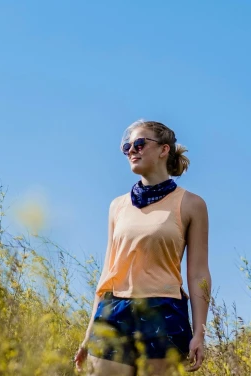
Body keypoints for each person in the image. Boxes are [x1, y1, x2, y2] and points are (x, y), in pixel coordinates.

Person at [74, 120, 211, 375]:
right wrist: (89, 333)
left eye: (139, 143)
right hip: (115, 310)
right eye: (127, 147)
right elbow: (108, 273)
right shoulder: (117, 206)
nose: (132, 151)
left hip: (164, 312)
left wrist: (199, 333)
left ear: (164, 150)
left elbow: (198, 274)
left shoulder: (192, 204)